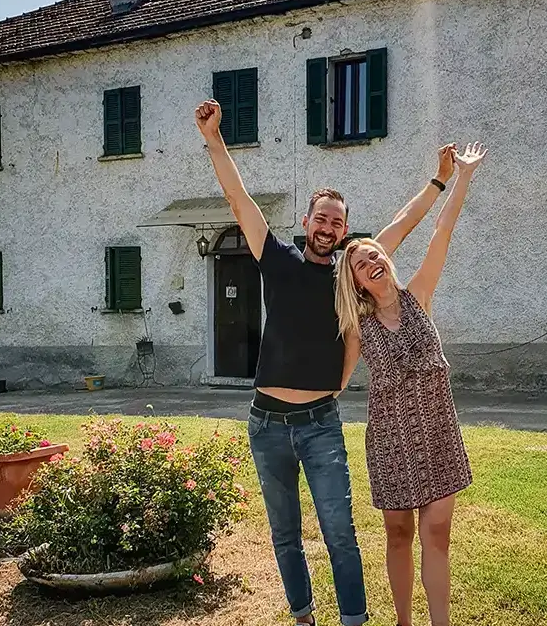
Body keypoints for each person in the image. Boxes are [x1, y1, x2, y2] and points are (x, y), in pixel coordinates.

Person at [194, 98, 455, 626]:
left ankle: (354, 620)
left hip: (320, 423)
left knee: (341, 532)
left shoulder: (349, 273)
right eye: (321, 217)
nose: (328, 226)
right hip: (266, 422)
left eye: (338, 222)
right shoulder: (276, 258)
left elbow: (403, 226)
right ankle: (303, 616)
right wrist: (214, 139)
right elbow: (238, 198)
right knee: (285, 533)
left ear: (344, 231)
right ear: (307, 220)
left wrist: (439, 180)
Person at [335, 142, 486, 626]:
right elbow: (338, 377)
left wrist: (460, 176)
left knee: (438, 535)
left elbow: (441, 230)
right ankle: (403, 621)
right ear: (355, 281)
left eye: (376, 253)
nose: (372, 261)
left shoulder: (419, 294)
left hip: (439, 434)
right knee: (398, 534)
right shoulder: (357, 325)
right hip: (392, 440)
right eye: (361, 263)